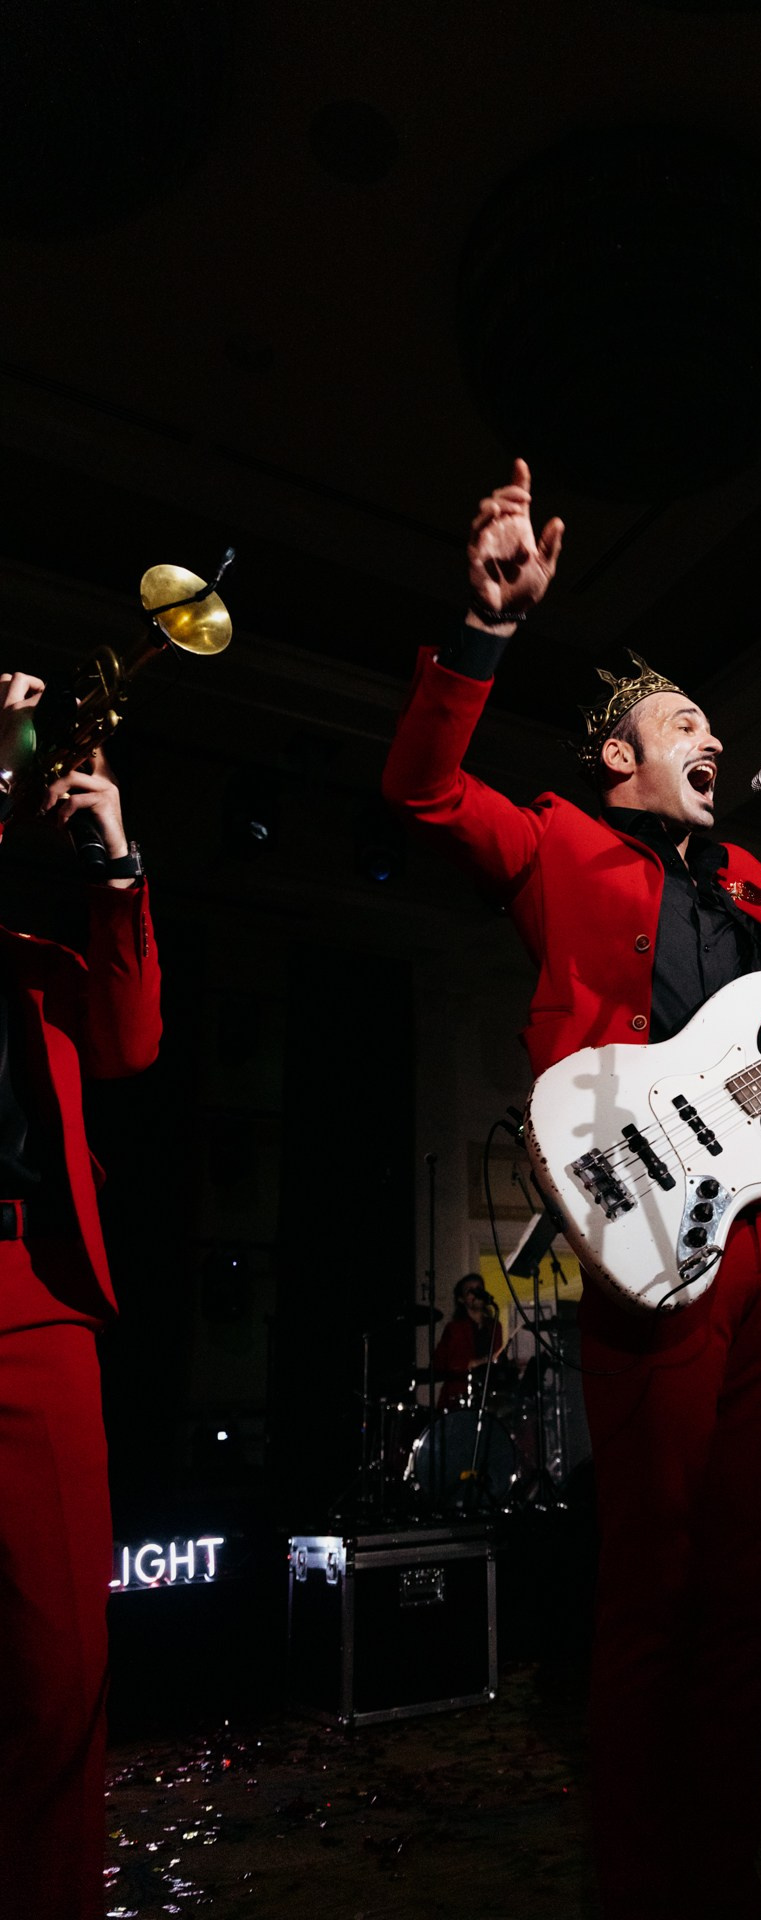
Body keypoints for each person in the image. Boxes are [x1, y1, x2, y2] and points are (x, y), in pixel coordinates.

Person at [383, 458, 761, 1920]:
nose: (715, 736)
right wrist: (484, 628)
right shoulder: (559, 840)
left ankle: (722, 1866)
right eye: (685, 723)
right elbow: (421, 792)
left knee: (748, 1574)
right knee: (653, 1576)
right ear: (620, 758)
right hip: (648, 1227)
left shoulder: (753, 883)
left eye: (713, 723)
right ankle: (641, 1876)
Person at [0, 672, 162, 1920]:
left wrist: (114, 864)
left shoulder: (36, 959)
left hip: (31, 1294)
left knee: (61, 1666)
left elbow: (129, 1042)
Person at [433, 1272, 506, 1408]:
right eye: (470, 1291)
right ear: (461, 1299)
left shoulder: (495, 1326)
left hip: (487, 1397)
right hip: (459, 1397)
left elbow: (496, 1360)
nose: (476, 1294)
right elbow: (442, 1364)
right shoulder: (454, 1328)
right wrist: (476, 1363)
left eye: (479, 1289)